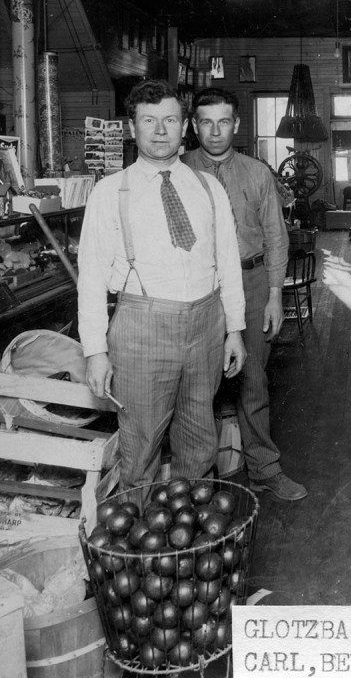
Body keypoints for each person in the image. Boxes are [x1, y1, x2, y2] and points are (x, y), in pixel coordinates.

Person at [78, 78, 247, 488]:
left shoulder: (207, 187)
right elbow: (91, 279)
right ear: (132, 127)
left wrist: (236, 330)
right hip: (140, 330)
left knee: (199, 440)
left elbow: (227, 261)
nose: (159, 130)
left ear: (185, 125)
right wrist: (95, 351)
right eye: (148, 120)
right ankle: (140, 539)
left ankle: (191, 534)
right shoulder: (108, 192)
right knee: (140, 447)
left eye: (170, 119)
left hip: (206, 324)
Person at [183, 87, 308, 500]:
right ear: (193, 126)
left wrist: (275, 295)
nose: (215, 131)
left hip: (252, 282)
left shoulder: (257, 173)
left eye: (224, 122)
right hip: (199, 289)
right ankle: (198, 484)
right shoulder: (180, 172)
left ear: (236, 124)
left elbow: (276, 238)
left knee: (253, 381)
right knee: (198, 387)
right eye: (206, 122)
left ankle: (263, 469)